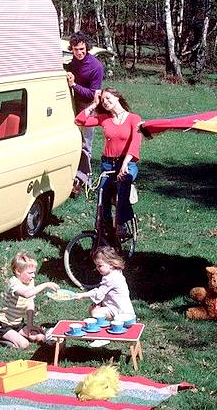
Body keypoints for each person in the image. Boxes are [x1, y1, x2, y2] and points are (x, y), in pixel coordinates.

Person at [74, 87, 142, 238]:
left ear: (117, 97)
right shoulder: (105, 119)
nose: (105, 102)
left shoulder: (133, 119)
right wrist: (93, 104)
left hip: (127, 163)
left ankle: (121, 224)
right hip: (107, 164)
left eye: (108, 98)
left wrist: (125, 164)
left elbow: (135, 143)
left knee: (123, 184)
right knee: (103, 194)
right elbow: (79, 120)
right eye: (103, 99)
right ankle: (106, 227)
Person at [0, 252, 59, 349]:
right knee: (24, 344)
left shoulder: (30, 282)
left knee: (40, 336)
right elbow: (26, 294)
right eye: (30, 273)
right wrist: (46, 285)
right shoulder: (14, 283)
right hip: (4, 325)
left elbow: (30, 302)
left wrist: (30, 325)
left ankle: (17, 334)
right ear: (18, 271)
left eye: (34, 272)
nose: (33, 276)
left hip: (18, 324)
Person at [65, 32, 104, 197]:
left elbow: (92, 94)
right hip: (73, 103)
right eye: (75, 49)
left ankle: (84, 179)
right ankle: (71, 175)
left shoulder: (96, 66)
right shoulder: (73, 62)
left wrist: (73, 85)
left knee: (86, 145)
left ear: (87, 48)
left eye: (81, 49)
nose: (79, 52)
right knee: (72, 139)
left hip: (89, 106)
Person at [73, 246, 135, 347]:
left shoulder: (111, 278)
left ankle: (104, 337)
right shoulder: (116, 273)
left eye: (100, 266)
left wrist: (82, 295)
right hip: (119, 308)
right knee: (94, 308)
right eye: (96, 266)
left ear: (110, 264)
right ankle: (108, 328)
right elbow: (105, 293)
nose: (97, 268)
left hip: (121, 313)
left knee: (95, 312)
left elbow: (99, 293)